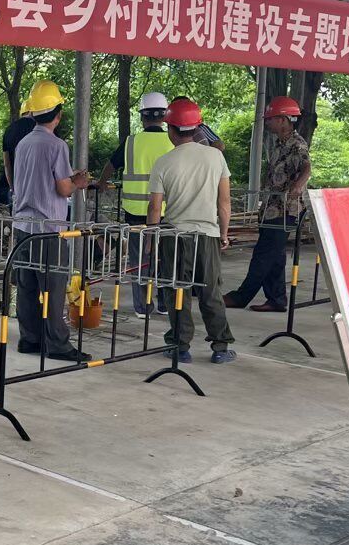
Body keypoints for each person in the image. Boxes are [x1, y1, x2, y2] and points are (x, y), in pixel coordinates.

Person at [148, 98, 236, 365]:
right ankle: (220, 347)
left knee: (176, 291)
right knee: (210, 292)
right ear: (197, 128)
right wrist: (224, 233)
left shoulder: (163, 162)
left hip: (174, 237)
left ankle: (180, 346)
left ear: (171, 129)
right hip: (207, 237)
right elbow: (224, 203)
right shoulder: (216, 157)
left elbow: (155, 208)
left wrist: (151, 240)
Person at [10, 83, 91, 361]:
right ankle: (57, 344)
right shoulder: (57, 145)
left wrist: (69, 178)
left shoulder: (23, 143)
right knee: (53, 288)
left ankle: (29, 338)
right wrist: (78, 182)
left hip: (23, 225)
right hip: (48, 229)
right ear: (58, 113)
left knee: (27, 286)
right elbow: (63, 188)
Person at [224, 96, 311, 313]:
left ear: (283, 120)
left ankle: (241, 296)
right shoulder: (279, 144)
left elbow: (307, 168)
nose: (268, 123)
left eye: (271, 119)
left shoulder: (297, 144)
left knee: (263, 254)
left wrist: (298, 185)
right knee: (275, 256)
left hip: (285, 209)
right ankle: (276, 299)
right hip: (272, 208)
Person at [98, 91, 172, 319]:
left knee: (139, 260)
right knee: (164, 258)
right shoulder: (172, 141)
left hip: (135, 212)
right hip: (167, 212)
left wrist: (101, 183)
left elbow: (110, 166)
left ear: (142, 116)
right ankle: (165, 304)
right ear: (165, 117)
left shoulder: (131, 142)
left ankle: (143, 306)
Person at [0, 96, 37, 208]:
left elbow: (7, 164)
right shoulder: (39, 129)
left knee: (16, 217)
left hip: (16, 186)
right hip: (36, 188)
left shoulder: (9, 130)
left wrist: (12, 187)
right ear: (33, 112)